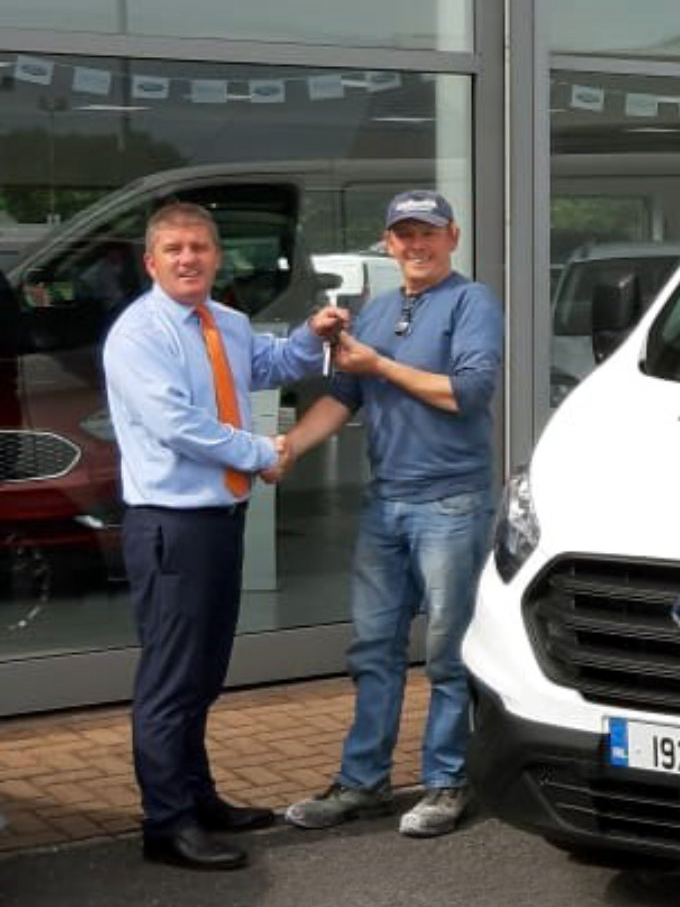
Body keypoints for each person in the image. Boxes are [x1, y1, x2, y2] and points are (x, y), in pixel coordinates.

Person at [102, 201, 344, 872]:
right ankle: (166, 823)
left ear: (216, 257)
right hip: (171, 527)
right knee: (171, 680)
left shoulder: (227, 322)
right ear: (151, 262)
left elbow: (267, 364)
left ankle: (197, 796)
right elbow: (176, 424)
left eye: (200, 248)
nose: (188, 259)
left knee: (203, 674)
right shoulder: (138, 334)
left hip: (219, 522)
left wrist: (313, 333)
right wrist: (262, 452)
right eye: (174, 249)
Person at [281, 190, 502, 840]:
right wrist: (288, 448)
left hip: (452, 501)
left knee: (448, 653)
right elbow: (342, 399)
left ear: (452, 236)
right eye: (403, 234)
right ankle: (363, 782)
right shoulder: (375, 311)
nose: (416, 245)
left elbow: (467, 392)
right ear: (387, 242)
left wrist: (379, 363)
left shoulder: (472, 303)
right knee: (373, 649)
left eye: (427, 233)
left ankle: (446, 781)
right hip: (386, 502)